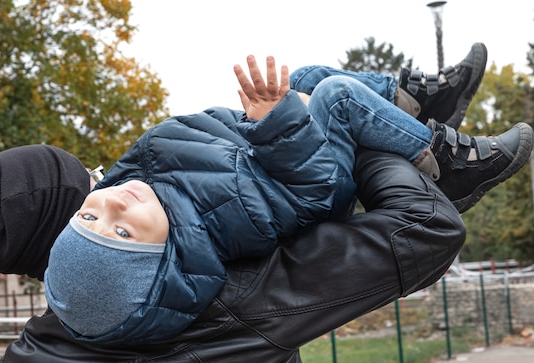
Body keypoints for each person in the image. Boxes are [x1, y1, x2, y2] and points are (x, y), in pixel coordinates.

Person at [0, 51, 529, 363]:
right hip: (318, 169)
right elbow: (424, 228)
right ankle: (442, 149)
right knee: (333, 98)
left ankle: (414, 108)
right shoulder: (225, 293)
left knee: (307, 87)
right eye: (91, 180)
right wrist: (369, 145)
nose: (111, 187)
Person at [40, 49, 532, 345]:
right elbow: (311, 188)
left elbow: (214, 149)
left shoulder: (142, 182)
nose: (115, 205)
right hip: (316, 184)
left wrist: (260, 117)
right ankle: (449, 165)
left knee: (304, 78)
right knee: (336, 96)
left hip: (271, 154)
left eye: (90, 214)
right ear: (167, 257)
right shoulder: (225, 221)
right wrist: (276, 124)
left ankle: (417, 97)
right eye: (123, 234)